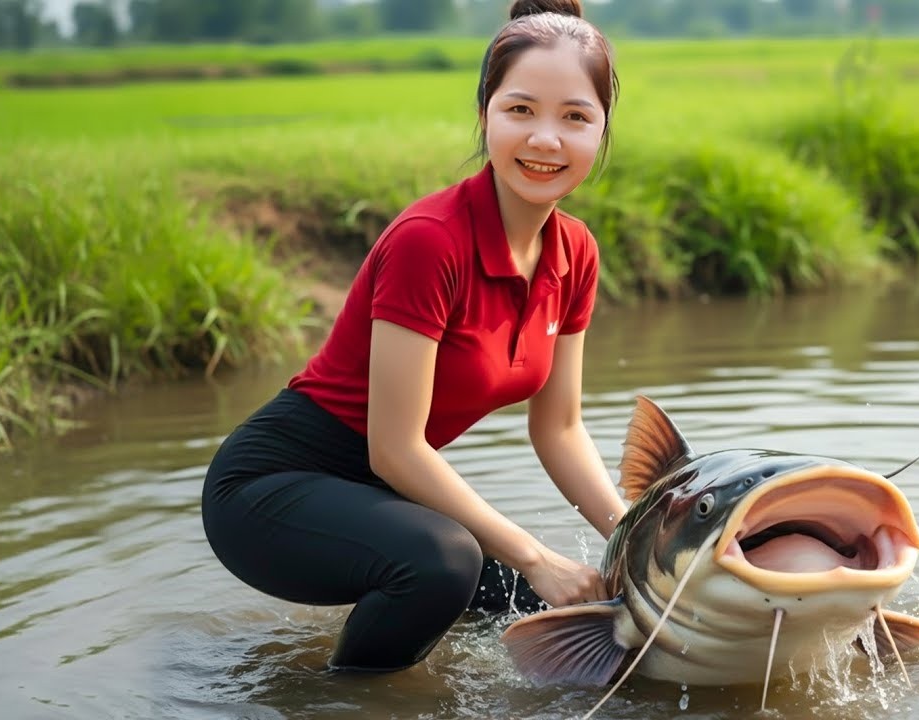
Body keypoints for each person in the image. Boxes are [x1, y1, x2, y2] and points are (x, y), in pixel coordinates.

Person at [200, 0, 628, 676]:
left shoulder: (576, 251)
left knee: (540, 615)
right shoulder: (431, 240)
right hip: (270, 489)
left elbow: (561, 429)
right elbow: (395, 447)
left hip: (383, 495)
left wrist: (635, 540)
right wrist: (538, 555)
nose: (546, 139)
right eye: (520, 110)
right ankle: (339, 705)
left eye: (575, 116)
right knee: (445, 563)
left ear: (601, 131)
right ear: (486, 112)